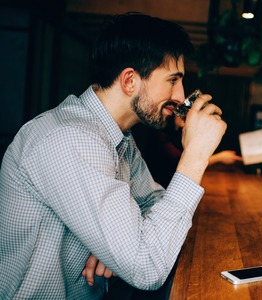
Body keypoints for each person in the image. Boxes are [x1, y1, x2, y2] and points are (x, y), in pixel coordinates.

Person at [0, 13, 226, 299]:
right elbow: (146, 266)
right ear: (130, 80)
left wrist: (118, 246)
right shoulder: (72, 139)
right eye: (172, 80)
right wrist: (196, 154)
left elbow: (153, 202)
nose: (181, 97)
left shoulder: (119, 139)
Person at [137, 114, 242, 188]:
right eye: (180, 111)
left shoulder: (177, 132)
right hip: (159, 191)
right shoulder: (159, 134)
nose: (185, 114)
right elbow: (180, 161)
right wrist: (220, 157)